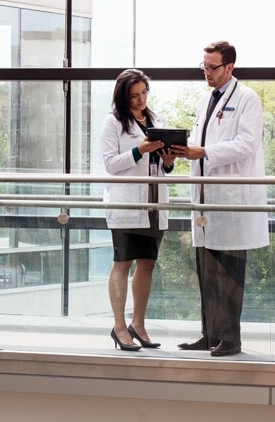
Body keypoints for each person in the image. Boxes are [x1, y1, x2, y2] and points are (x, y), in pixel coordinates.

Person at [168, 41, 269, 357]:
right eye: (204, 67)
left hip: (231, 198)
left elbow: (247, 144)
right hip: (205, 196)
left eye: (212, 67)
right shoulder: (205, 99)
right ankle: (209, 334)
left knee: (228, 273)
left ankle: (230, 339)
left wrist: (206, 152)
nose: (206, 73)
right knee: (207, 270)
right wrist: (184, 150)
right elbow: (201, 142)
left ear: (230, 67)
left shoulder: (247, 99)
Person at [101, 69, 175, 351]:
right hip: (127, 203)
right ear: (123, 96)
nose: (140, 99)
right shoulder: (114, 123)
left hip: (154, 203)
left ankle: (138, 325)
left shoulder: (156, 121)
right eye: (134, 95)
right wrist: (139, 151)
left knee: (147, 263)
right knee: (123, 263)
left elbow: (164, 168)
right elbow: (110, 164)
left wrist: (168, 159)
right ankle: (119, 328)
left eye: (144, 92)